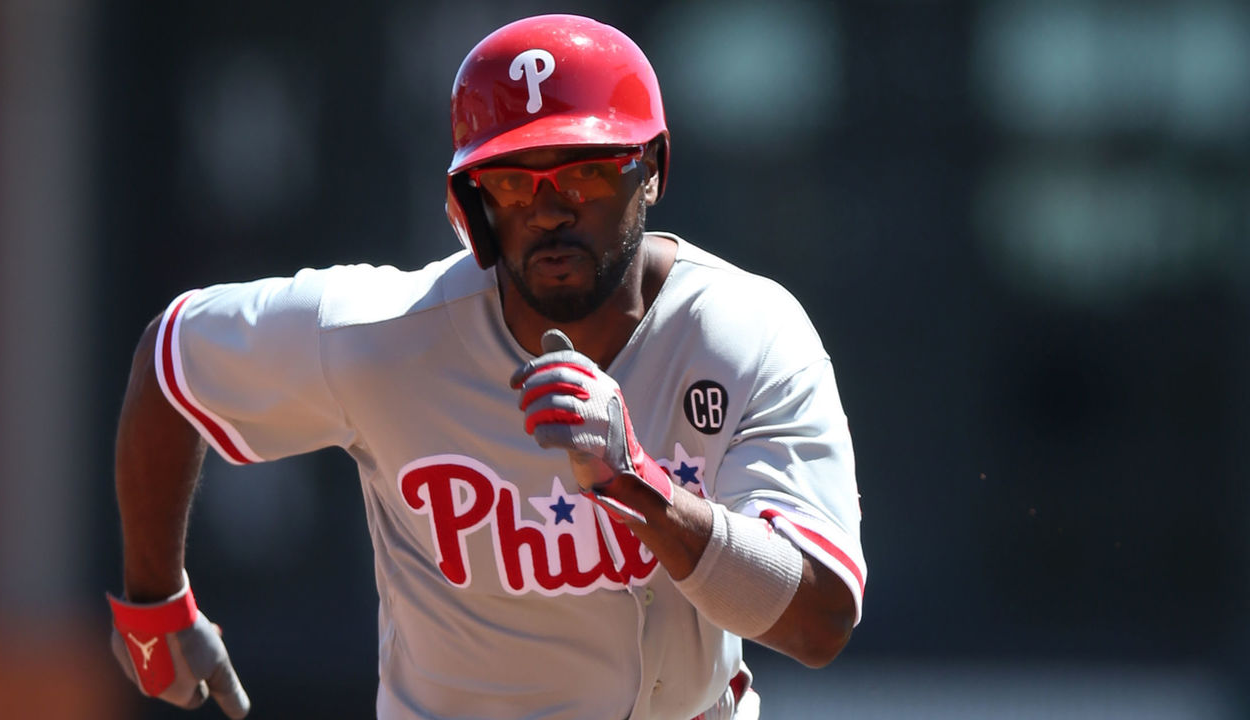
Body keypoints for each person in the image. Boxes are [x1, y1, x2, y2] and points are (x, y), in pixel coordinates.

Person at [106, 13, 867, 720]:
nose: (549, 209)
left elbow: (820, 622)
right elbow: (172, 358)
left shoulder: (744, 333)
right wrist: (154, 606)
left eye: (584, 173)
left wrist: (635, 482)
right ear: (470, 203)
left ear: (653, 170)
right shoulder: (386, 334)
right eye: (512, 180)